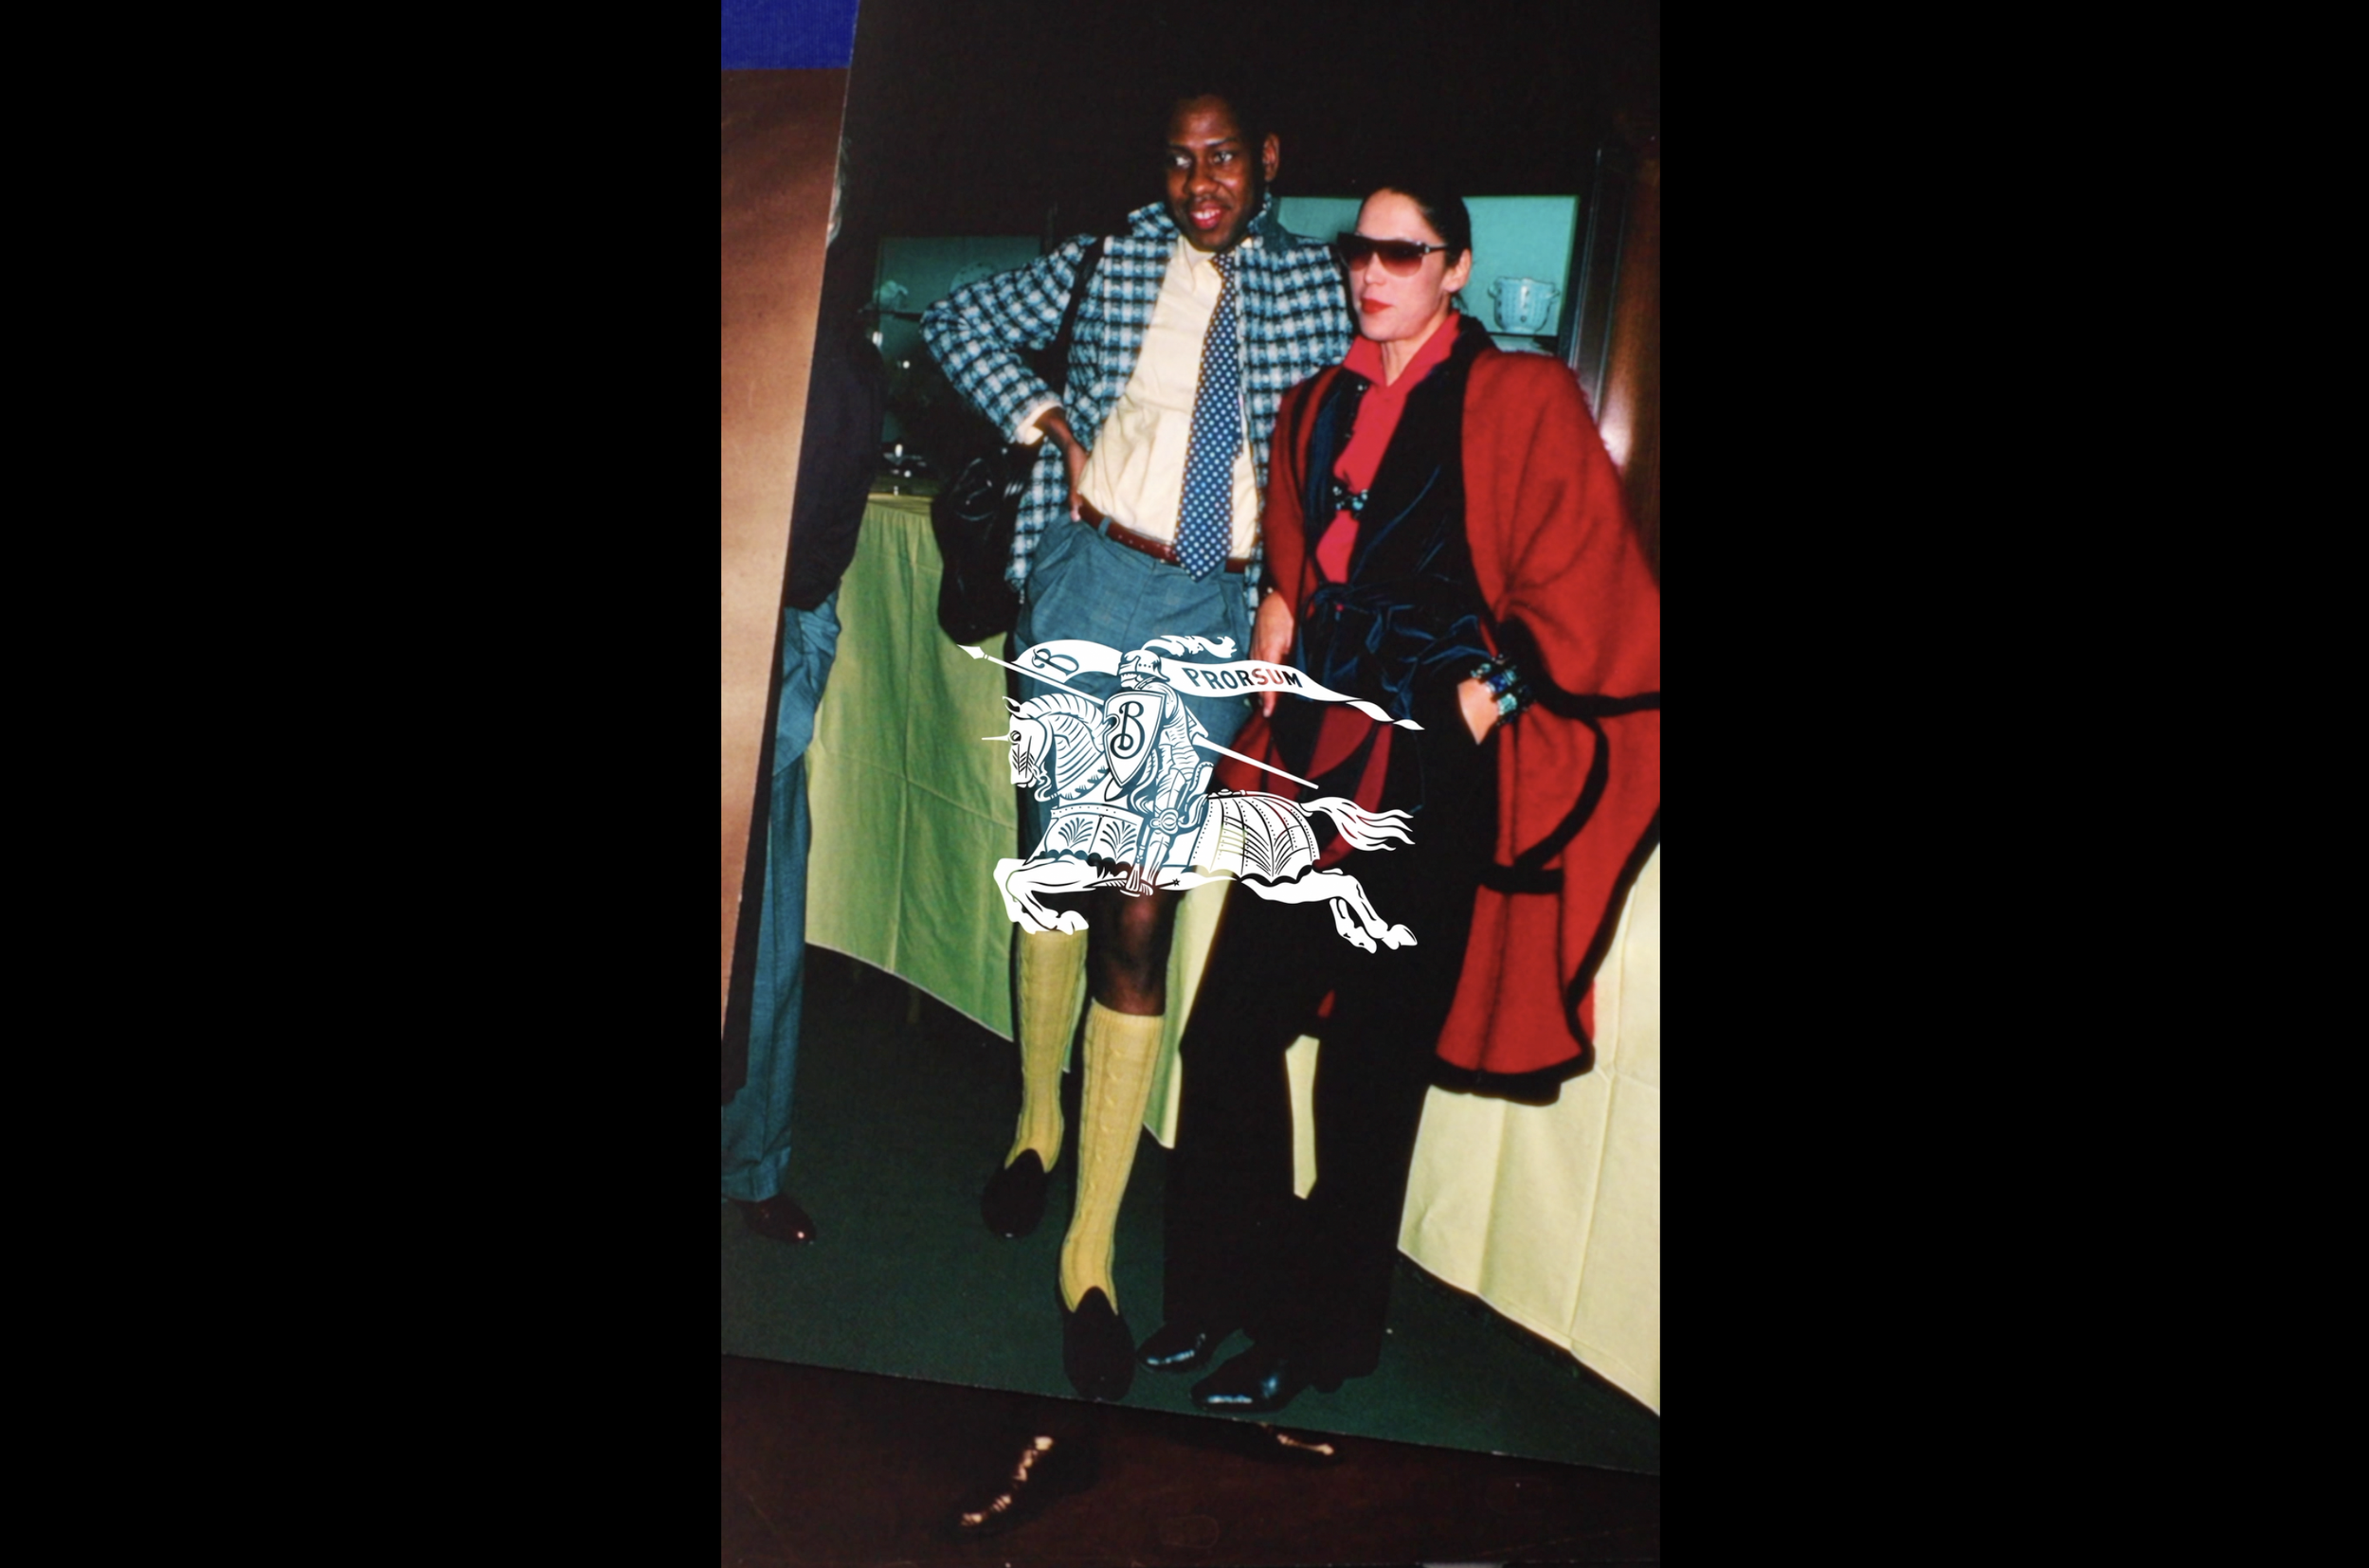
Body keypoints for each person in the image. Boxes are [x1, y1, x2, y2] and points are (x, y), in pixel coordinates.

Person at [1137, 180, 1662, 1414]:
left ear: (1456, 266)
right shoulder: (1315, 401)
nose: (1370, 273)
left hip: (1428, 767)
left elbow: (1592, 576)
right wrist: (1270, 656)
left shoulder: (1519, 393)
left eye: (1402, 252)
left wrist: (1491, 693)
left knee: (1369, 1071)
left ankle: (1318, 1334)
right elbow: (1294, 560)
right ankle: (1223, 1286)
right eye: (1358, 250)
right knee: (1230, 1033)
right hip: (1318, 750)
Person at [922, 85, 1352, 1400]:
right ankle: (1035, 1121)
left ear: (1265, 159)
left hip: (1208, 606)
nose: (1198, 181)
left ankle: (1092, 1250)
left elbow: (1361, 434)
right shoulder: (1110, 254)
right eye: (1177, 159)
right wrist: (1045, 419)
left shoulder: (1317, 288)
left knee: (1141, 904)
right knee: (1059, 871)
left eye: (1220, 157)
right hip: (1086, 575)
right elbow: (955, 318)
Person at [720, 168, 891, 1246]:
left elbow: (817, 549)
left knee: (764, 915)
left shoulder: (835, 356)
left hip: (766, 640)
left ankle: (752, 1159)